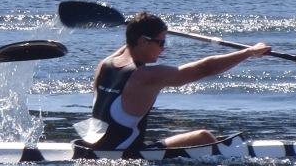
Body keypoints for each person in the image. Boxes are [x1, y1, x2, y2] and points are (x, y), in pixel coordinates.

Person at [76, 12, 270, 153]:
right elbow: (204, 68)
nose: (163, 49)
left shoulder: (104, 65)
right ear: (143, 42)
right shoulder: (145, 77)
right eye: (160, 43)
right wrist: (249, 52)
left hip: (91, 147)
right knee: (203, 138)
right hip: (125, 155)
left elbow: (128, 46)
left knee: (200, 137)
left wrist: (138, 29)